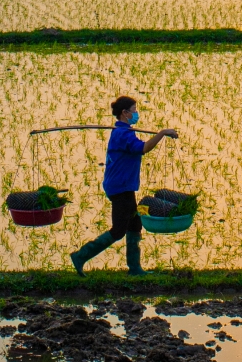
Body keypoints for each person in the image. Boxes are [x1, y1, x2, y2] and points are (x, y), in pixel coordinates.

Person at [69, 96, 178, 276]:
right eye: (134, 110)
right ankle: (80, 256)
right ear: (124, 113)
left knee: (134, 225)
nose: (136, 113)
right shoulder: (122, 134)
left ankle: (134, 268)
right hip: (119, 187)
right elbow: (142, 149)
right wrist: (162, 133)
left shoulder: (123, 131)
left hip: (125, 186)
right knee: (119, 230)